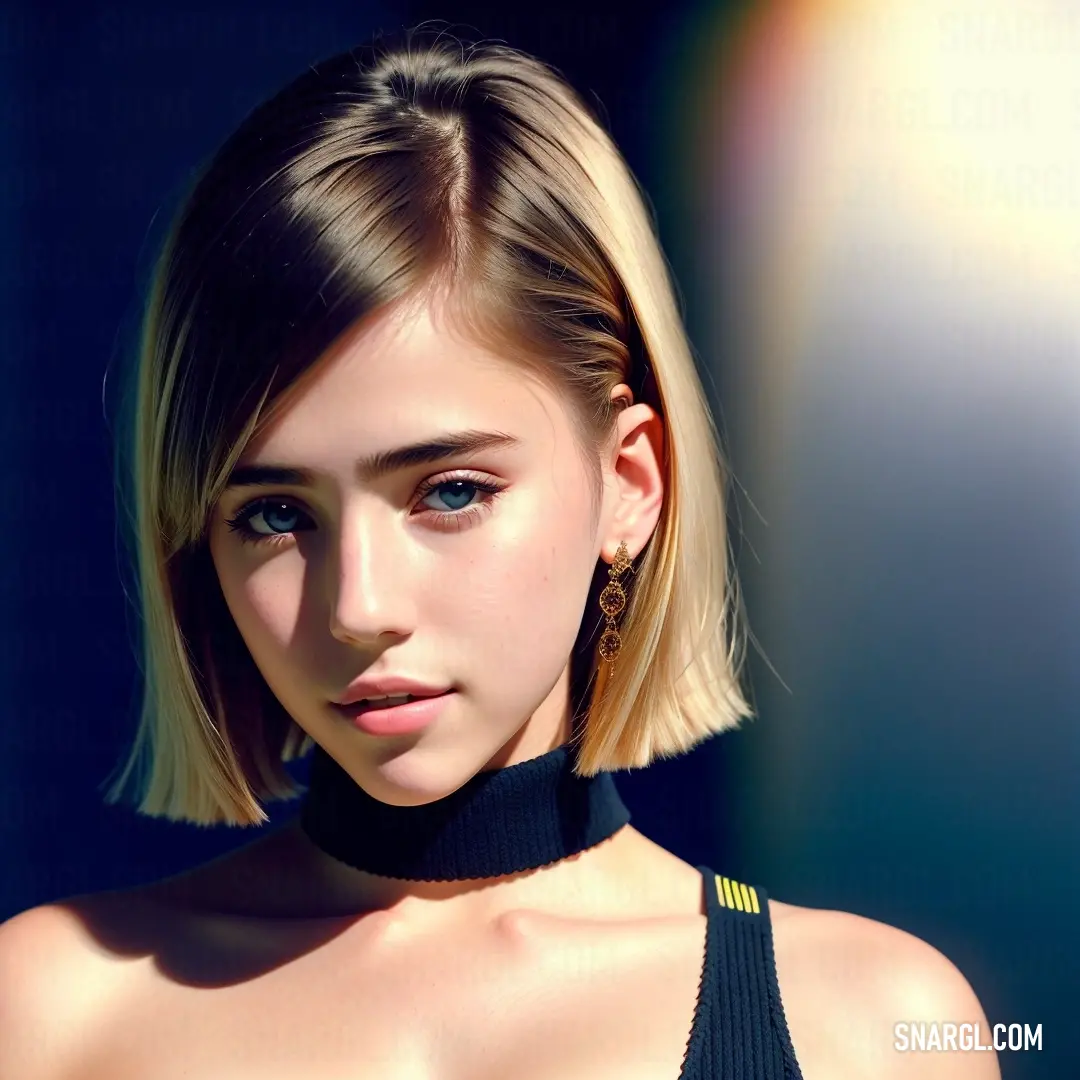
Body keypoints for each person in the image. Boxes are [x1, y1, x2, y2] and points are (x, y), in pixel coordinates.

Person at [0, 28, 998, 1080]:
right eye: (277, 516)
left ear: (631, 484)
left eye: (451, 492)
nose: (359, 608)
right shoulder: (47, 1013)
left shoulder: (870, 1029)